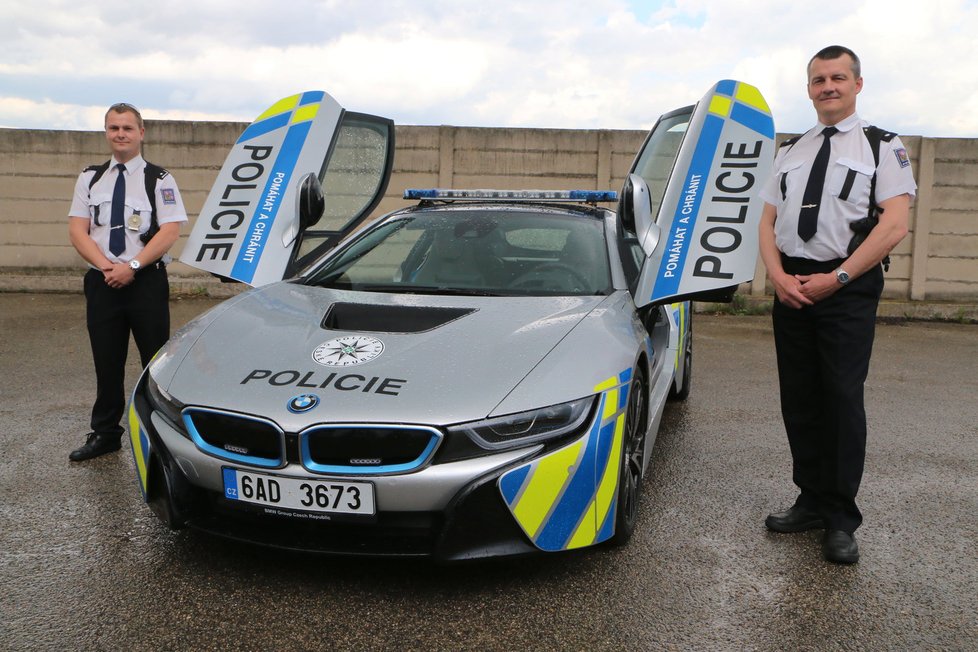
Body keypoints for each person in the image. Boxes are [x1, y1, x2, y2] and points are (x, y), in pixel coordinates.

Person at [757, 46, 916, 563]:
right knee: (799, 399)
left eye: (838, 77)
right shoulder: (791, 149)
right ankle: (810, 499)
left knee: (841, 400)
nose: (828, 86)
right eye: (819, 79)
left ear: (857, 84)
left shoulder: (882, 146)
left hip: (846, 289)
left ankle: (841, 519)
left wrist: (840, 276)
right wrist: (777, 276)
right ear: (809, 89)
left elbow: (894, 223)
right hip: (793, 288)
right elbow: (767, 221)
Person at [67, 103, 188, 461]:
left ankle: (161, 436)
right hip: (103, 282)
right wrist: (107, 266)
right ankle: (106, 434)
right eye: (113, 128)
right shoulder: (89, 178)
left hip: (145, 282)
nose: (120, 134)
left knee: (155, 362)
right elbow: (77, 229)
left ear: (141, 133)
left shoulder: (159, 179)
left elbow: (170, 230)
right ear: (106, 132)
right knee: (107, 362)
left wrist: (132, 265)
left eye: (127, 128)